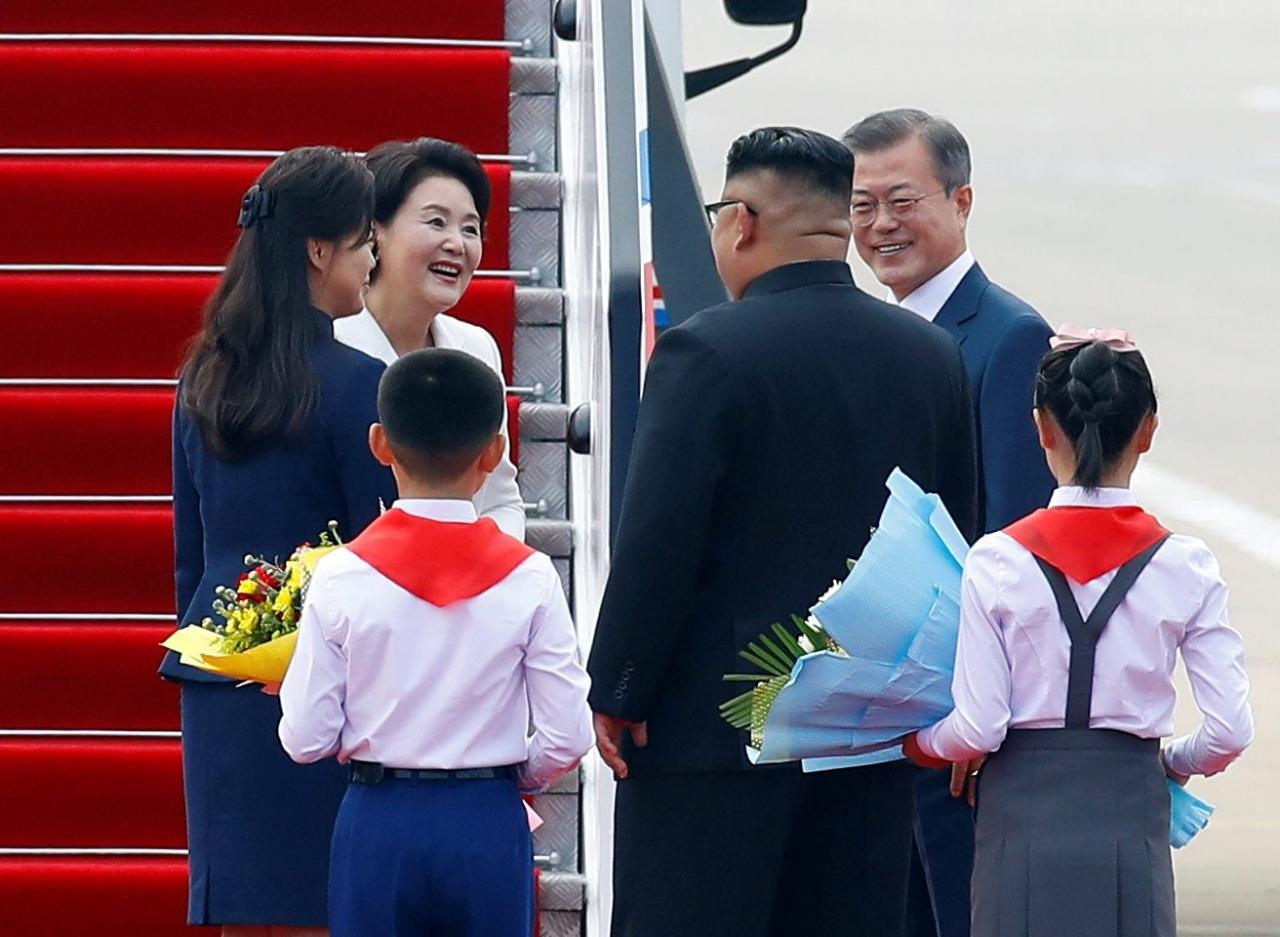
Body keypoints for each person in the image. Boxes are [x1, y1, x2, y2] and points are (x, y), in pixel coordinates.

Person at [587, 127, 979, 937]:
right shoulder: (931, 354)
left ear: (743, 221)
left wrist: (620, 687)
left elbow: (659, 540)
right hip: (866, 740)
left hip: (714, 739)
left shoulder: (705, 350)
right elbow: (954, 538)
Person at [905, 326, 1254, 937]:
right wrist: (1171, 761)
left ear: (1042, 428)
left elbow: (979, 726)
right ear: (1148, 430)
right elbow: (1229, 731)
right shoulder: (1186, 565)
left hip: (1019, 818)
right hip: (1131, 812)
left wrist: (918, 742)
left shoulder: (997, 560)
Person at [278, 348, 593, 937]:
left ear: (379, 443)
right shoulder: (529, 576)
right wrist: (514, 776)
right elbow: (569, 734)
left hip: (378, 818)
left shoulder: (341, 575)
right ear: (493, 453)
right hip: (486, 817)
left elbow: (305, 738)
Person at [164, 146, 397, 934]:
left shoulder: (203, 377)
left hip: (219, 664)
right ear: (319, 250)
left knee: (245, 911)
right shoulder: (359, 383)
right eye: (364, 242)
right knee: (323, 905)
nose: (371, 260)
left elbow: (191, 556)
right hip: (326, 677)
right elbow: (376, 552)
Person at [842, 108, 1056, 937]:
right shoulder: (880, 335)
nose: (881, 225)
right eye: (862, 206)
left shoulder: (1008, 335)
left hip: (958, 717)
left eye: (903, 201)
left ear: (962, 201)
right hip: (886, 717)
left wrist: (980, 712)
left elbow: (1015, 539)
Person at [334, 137, 524, 539]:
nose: (457, 244)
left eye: (470, 229)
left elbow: (500, 500)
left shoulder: (477, 348)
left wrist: (479, 565)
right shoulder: (330, 345)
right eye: (436, 222)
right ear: (375, 231)